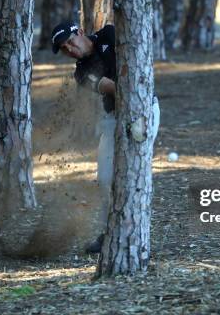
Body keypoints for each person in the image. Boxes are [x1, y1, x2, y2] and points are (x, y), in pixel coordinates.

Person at [50, 21, 160, 253]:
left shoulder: (110, 33)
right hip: (113, 117)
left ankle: (137, 229)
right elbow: (114, 88)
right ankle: (110, 233)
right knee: (106, 179)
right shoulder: (81, 73)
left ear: (80, 32)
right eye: (63, 49)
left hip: (145, 110)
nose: (69, 49)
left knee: (135, 170)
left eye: (70, 42)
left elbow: (139, 58)